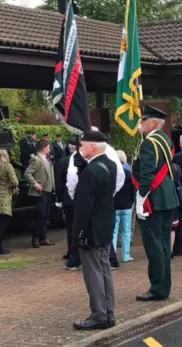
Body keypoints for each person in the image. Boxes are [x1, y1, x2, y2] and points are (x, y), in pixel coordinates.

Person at [72, 130, 117, 331]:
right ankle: (108, 312)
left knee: (93, 274)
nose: (80, 148)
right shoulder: (111, 164)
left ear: (91, 146)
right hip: (106, 223)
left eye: (82, 145)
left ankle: (99, 315)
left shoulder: (92, 171)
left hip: (91, 228)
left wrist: (77, 233)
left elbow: (83, 206)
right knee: (104, 269)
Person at [133, 105, 179, 301]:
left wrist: (141, 197)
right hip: (166, 197)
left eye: (143, 121)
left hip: (154, 198)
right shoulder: (164, 139)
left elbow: (147, 173)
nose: (140, 124)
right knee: (162, 244)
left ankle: (158, 288)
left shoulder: (149, 143)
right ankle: (163, 285)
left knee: (154, 245)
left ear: (152, 122)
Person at [24, 141, 56, 248]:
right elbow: (27, 173)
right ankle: (35, 238)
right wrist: (35, 184)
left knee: (46, 215)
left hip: (48, 190)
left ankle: (43, 237)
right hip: (40, 191)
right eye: (48, 147)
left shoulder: (48, 158)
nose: (50, 149)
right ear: (43, 148)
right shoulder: (36, 159)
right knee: (39, 215)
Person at [55, 136, 79, 264]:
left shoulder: (62, 162)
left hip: (68, 199)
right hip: (83, 198)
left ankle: (72, 252)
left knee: (70, 227)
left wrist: (59, 200)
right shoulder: (86, 160)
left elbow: (59, 184)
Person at [0, 149, 19, 255]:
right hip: (4, 197)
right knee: (2, 223)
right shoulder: (7, 166)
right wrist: (7, 186)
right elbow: (15, 181)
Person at [113, 150, 135, 262]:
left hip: (114, 206)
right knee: (126, 231)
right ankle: (126, 255)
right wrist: (132, 201)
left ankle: (112, 255)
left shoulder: (111, 173)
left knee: (114, 231)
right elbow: (133, 190)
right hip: (127, 206)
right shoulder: (129, 174)